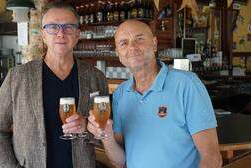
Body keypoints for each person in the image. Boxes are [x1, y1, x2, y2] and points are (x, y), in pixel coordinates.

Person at [0, 2, 108, 168]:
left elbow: (105, 131)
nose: (60, 33)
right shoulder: (18, 76)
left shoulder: (96, 77)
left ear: (77, 34)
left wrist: (86, 126)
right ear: (43, 35)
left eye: (68, 27)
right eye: (52, 27)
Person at [87, 20, 222, 168]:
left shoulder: (187, 84)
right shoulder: (120, 94)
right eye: (124, 43)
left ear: (154, 43)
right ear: (118, 53)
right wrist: (106, 136)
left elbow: (212, 157)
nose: (132, 47)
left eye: (139, 39)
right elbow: (121, 161)